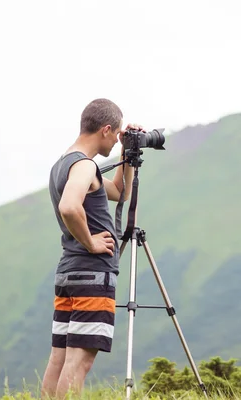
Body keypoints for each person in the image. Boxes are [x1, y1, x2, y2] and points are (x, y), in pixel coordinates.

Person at [41, 98, 142, 399]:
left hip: (69, 273)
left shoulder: (64, 164)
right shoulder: (85, 166)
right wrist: (92, 242)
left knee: (59, 359)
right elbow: (70, 207)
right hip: (92, 274)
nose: (115, 140)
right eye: (116, 134)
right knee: (79, 363)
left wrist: (127, 151)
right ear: (105, 129)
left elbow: (120, 191)